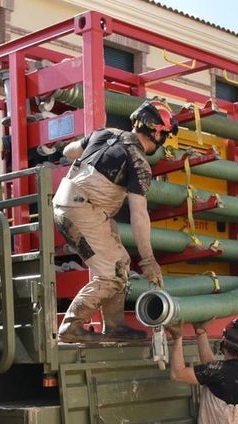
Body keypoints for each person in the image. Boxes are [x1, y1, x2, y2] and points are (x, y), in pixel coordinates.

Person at [53, 99, 177, 342]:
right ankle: (71, 326)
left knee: (120, 262)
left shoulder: (105, 133)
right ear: (155, 132)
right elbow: (139, 215)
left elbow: (69, 152)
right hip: (83, 210)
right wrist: (149, 261)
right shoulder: (139, 163)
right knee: (112, 275)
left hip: (72, 205)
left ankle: (115, 326)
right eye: (164, 136)